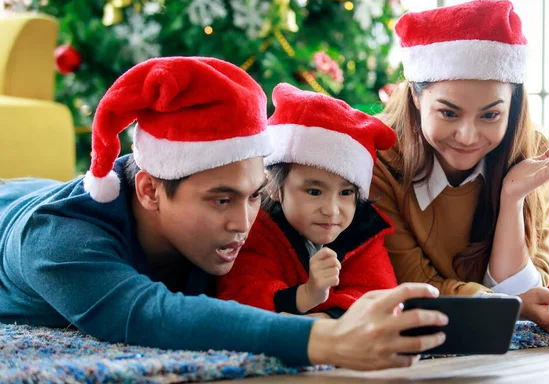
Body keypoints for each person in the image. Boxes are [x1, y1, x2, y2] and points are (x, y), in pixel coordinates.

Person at [0, 56, 448, 370]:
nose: (243, 222)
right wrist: (328, 341)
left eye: (253, 196)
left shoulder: (240, 215)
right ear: (150, 190)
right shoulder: (56, 239)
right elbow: (150, 314)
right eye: (221, 200)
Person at [370, 0, 549, 332]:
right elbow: (411, 286)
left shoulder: (536, 154)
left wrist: (512, 199)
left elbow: (528, 290)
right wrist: (509, 307)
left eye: (490, 115)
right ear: (415, 96)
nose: (468, 136)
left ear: (511, 106)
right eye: (448, 113)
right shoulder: (379, 159)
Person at [217, 83, 398, 318]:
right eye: (314, 192)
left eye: (346, 193)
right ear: (273, 185)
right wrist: (306, 295)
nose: (332, 210)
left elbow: (379, 294)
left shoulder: (363, 231)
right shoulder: (256, 228)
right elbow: (239, 296)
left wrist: (328, 317)